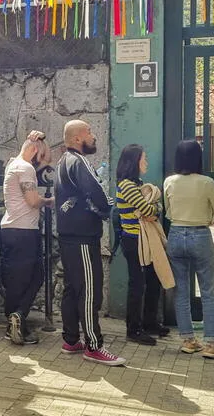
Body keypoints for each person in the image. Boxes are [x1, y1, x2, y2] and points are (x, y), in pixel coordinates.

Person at [54, 120, 125, 366]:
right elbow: (96, 192)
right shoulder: (79, 161)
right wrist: (107, 207)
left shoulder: (63, 161)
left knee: (73, 288)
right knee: (89, 291)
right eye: (90, 132)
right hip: (83, 238)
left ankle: (71, 339)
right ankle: (93, 346)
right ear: (76, 139)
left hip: (68, 236)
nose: (93, 136)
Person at [164, 140, 214, 358]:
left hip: (176, 235)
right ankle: (211, 344)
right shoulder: (207, 182)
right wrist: (207, 216)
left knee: (181, 291)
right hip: (200, 234)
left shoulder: (169, 181)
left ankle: (188, 340)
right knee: (208, 291)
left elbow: (169, 213)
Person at [1, 134, 52, 345]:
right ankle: (18, 317)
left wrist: (38, 138)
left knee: (18, 280)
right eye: (42, 155)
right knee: (32, 278)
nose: (43, 161)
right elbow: (32, 200)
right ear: (35, 151)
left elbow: (45, 158)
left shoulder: (13, 164)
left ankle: (15, 320)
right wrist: (49, 200)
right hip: (24, 230)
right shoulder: (26, 168)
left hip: (12, 228)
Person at [116, 144, 168, 346]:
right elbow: (149, 209)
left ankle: (149, 322)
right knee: (137, 284)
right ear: (134, 161)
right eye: (143, 159)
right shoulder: (128, 185)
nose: (146, 162)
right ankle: (133, 329)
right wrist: (155, 207)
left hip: (144, 239)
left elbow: (153, 208)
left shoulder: (136, 184)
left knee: (153, 280)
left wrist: (154, 208)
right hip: (134, 240)